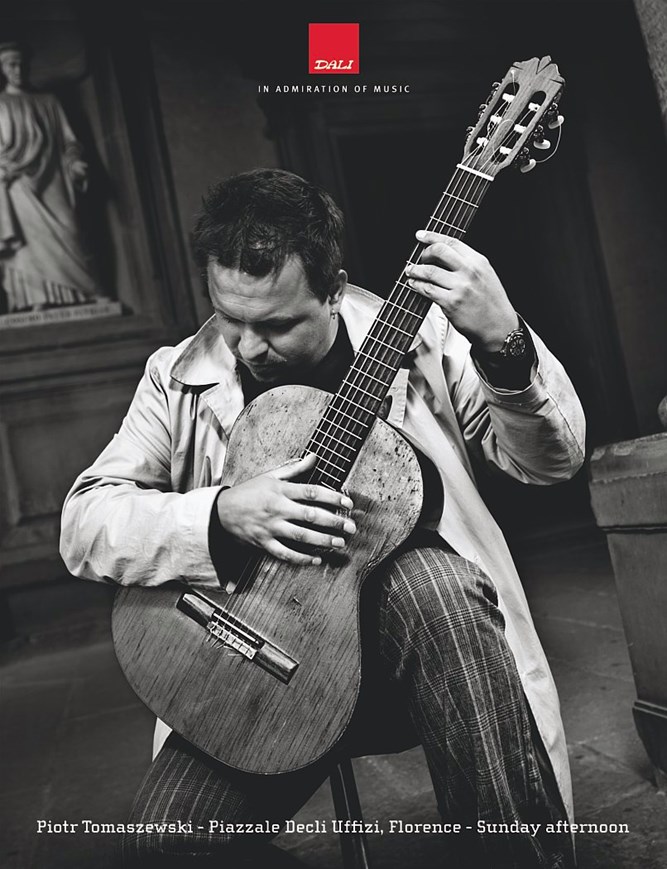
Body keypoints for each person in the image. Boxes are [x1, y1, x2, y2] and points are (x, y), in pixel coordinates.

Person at [60, 168, 585, 868]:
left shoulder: (424, 339)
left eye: (275, 323)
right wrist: (222, 514)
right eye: (228, 316)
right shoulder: (174, 375)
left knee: (435, 581)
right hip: (265, 663)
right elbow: (83, 521)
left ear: (333, 288)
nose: (247, 346)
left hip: (429, 655)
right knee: (170, 840)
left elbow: (552, 463)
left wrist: (504, 343)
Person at [0, 41, 98, 311]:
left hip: (52, 179)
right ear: (3, 69)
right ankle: (35, 301)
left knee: (70, 231)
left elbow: (69, 140)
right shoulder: (0, 104)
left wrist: (75, 160)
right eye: (11, 65)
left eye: (21, 64)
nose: (18, 70)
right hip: (15, 186)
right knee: (27, 247)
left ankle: (84, 293)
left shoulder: (48, 101)